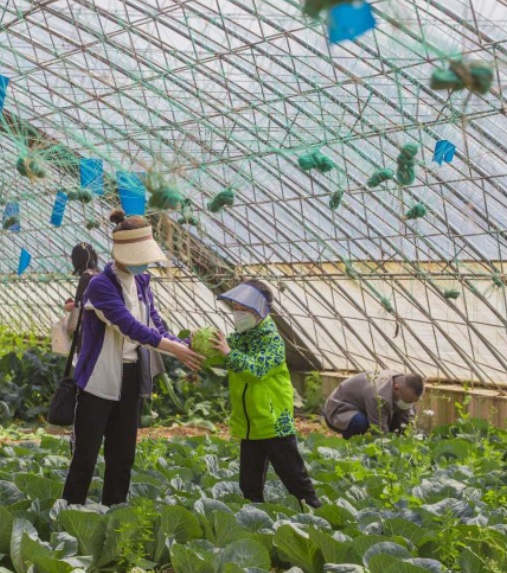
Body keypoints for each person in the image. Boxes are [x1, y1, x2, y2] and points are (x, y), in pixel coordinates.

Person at [61, 212, 204, 506]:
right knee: (85, 456)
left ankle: (115, 514)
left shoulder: (141, 283)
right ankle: (69, 513)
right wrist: (173, 348)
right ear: (121, 254)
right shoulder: (100, 285)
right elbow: (129, 326)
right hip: (98, 381)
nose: (145, 263)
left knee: (122, 455)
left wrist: (185, 346)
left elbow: (155, 325)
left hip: (130, 378)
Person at [210, 281, 321, 509]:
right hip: (250, 424)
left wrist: (229, 354)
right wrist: (196, 343)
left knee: (293, 476)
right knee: (249, 482)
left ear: (260, 309)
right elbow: (215, 355)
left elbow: (255, 371)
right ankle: (255, 519)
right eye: (235, 308)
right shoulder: (239, 337)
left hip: (273, 422)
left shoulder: (272, 341)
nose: (238, 314)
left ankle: (315, 513)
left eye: (244, 309)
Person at [323, 370, 424, 439]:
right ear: (396, 388)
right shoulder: (378, 394)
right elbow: (379, 432)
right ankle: (349, 448)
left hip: (365, 407)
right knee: (360, 422)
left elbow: (406, 421)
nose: (408, 405)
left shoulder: (401, 383)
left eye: (412, 401)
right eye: (407, 401)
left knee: (408, 411)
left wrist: (409, 438)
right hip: (341, 408)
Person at [64, 242, 100, 344]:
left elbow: (80, 307)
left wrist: (68, 306)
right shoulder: (99, 275)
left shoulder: (86, 277)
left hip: (88, 332)